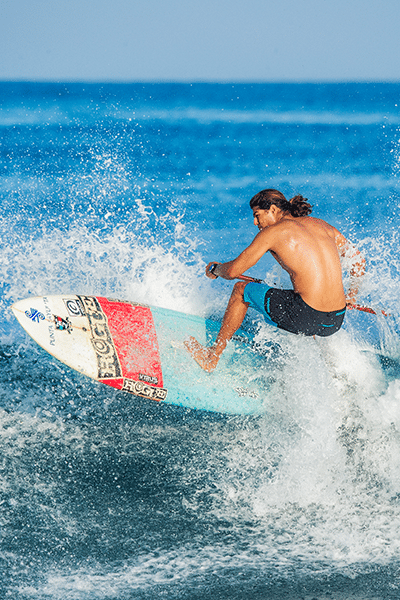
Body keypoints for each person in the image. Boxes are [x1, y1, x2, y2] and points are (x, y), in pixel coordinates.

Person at [184, 188, 365, 373]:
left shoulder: (273, 232)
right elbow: (358, 261)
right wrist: (352, 295)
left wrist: (216, 269)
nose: (255, 223)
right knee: (294, 300)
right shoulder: (322, 226)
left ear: (272, 209)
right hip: (335, 320)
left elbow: (232, 271)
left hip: (306, 316)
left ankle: (211, 357)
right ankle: (329, 372)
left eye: (257, 215)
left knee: (241, 290)